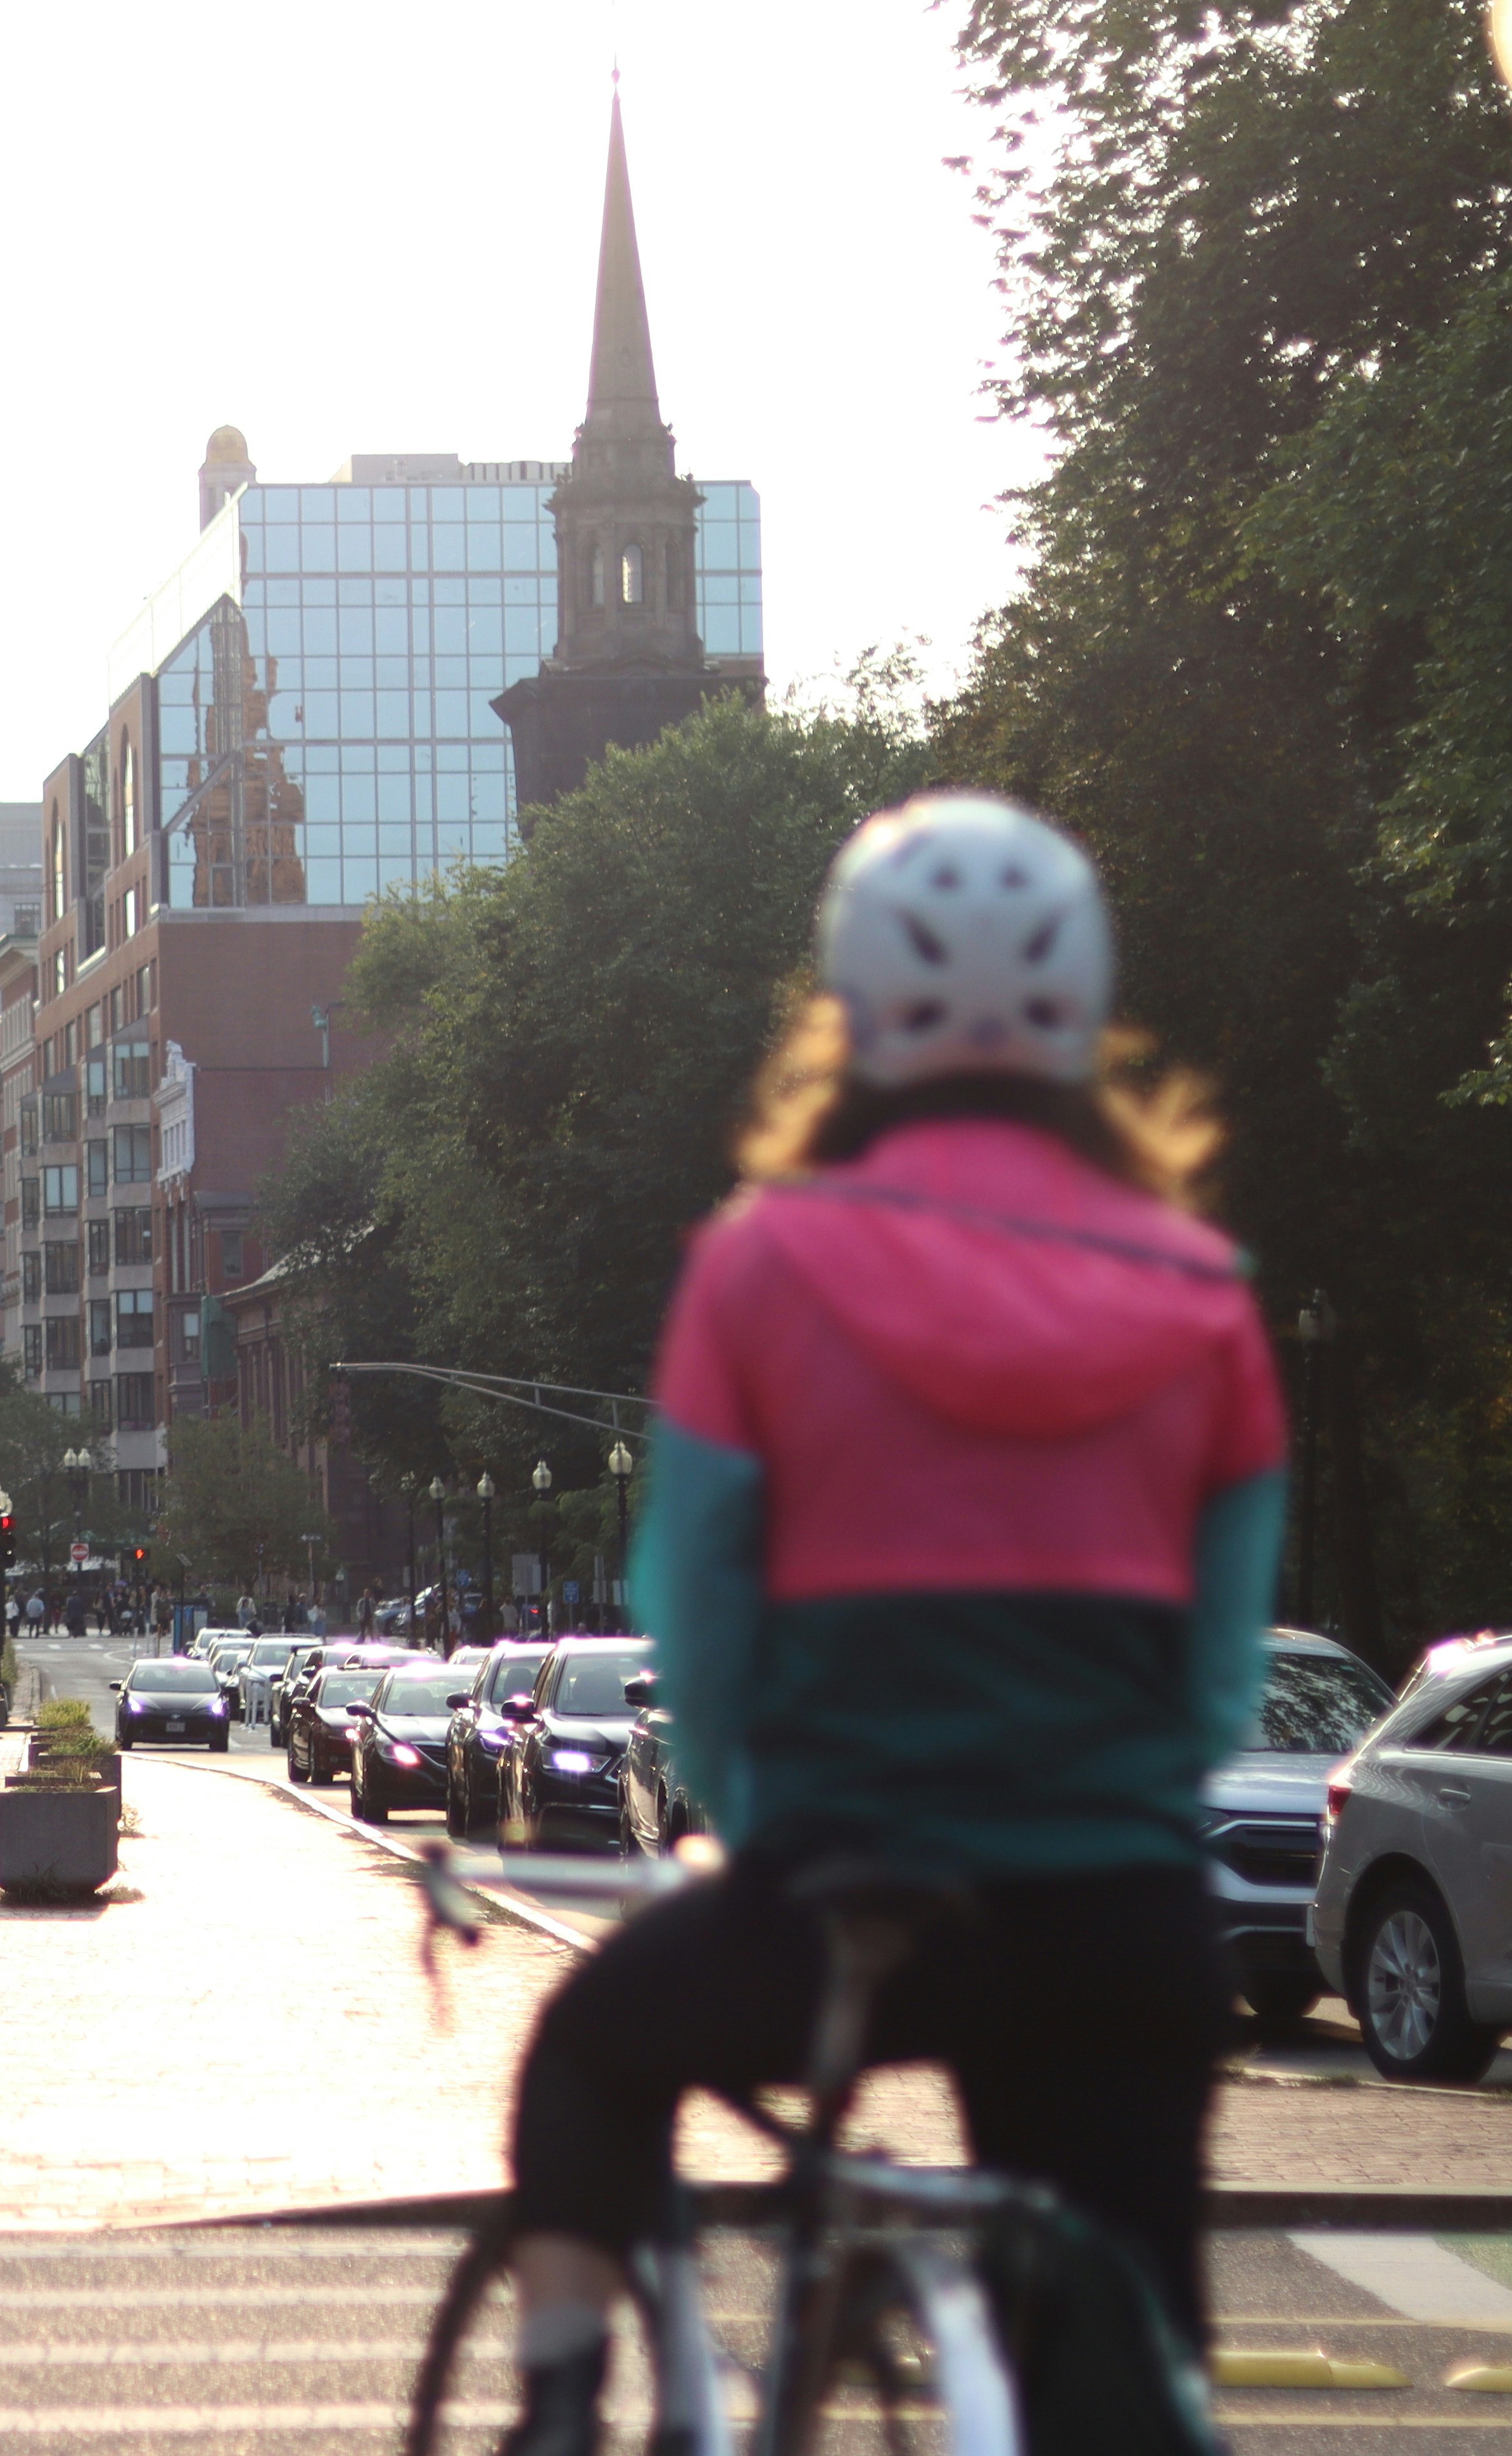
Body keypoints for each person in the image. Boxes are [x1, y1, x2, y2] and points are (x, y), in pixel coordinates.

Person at [494, 795, 1283, 2455]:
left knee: (586, 2055)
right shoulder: (1200, 1289)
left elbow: (694, 1612)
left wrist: (760, 1819)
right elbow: (1222, 1662)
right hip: (1123, 1916)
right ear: (1088, 1016)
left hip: (861, 1891)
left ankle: (562, 2413)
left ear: (847, 1013)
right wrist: (1119, 1805)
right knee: (1132, 2360)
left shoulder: (762, 1268)